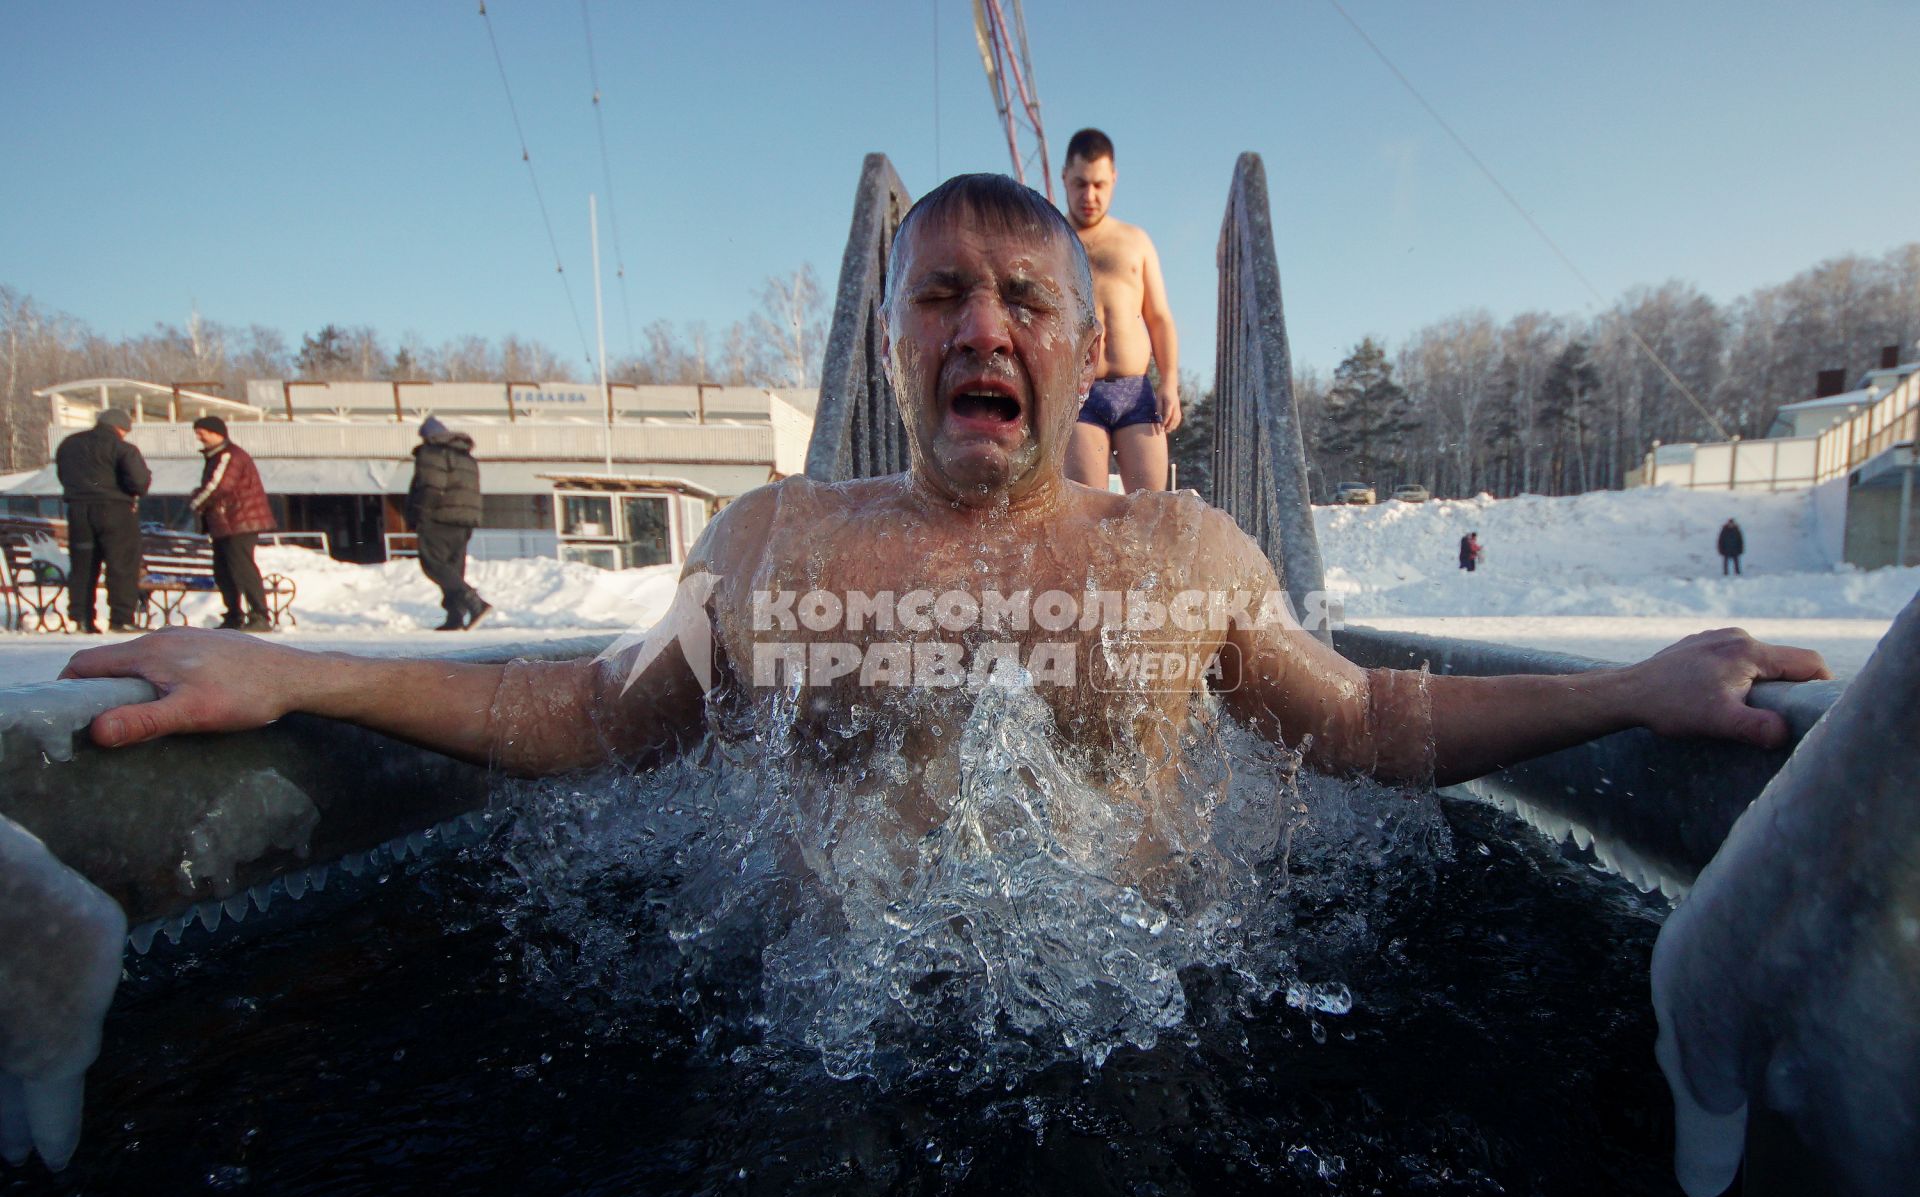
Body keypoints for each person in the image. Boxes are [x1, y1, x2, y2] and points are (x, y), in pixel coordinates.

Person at [65, 176, 1827, 863]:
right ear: (894, 338)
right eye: (942, 297)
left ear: (1082, 343)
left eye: (1020, 299)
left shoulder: (1184, 559)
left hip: (1125, 1055)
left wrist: (1627, 688)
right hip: (823, 1070)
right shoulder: (773, 549)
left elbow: (1367, 718)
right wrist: (301, 670)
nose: (982, 325)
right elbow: (602, 718)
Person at [1058, 129, 1181, 495]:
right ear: (1064, 177)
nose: (1089, 195)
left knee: (1150, 514)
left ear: (1113, 179)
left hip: (1136, 391)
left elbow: (1160, 317)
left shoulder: (1135, 241)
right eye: (1080, 184)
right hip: (1078, 392)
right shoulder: (1049, 241)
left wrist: (1170, 383)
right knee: (1088, 516)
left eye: (1098, 184)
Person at [55, 407, 151, 634]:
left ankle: (81, 618)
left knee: (83, 565)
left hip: (78, 511)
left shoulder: (69, 444)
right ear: (121, 428)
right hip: (115, 510)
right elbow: (139, 482)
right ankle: (121, 619)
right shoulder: (123, 448)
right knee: (122, 565)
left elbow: (62, 474)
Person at [187, 416, 277, 631]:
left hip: (239, 521)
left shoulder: (228, 455)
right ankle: (234, 615)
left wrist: (195, 501)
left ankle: (259, 616)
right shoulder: (216, 455)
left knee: (242, 568)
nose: (199, 436)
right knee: (224, 570)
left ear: (217, 433)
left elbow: (219, 486)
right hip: (225, 523)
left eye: (202, 432)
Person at [406, 416, 489, 631]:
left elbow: (431, 487)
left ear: (428, 436)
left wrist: (420, 514)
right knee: (453, 567)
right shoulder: (465, 456)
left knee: (433, 564)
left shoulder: (432, 453)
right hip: (464, 521)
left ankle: (475, 602)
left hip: (438, 518)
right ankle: (455, 616)